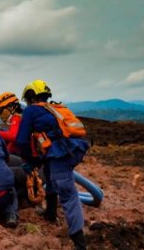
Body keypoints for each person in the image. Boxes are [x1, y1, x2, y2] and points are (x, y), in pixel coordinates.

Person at [15, 80, 89, 250]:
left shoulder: (32, 110)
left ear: (30, 97)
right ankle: (50, 214)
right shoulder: (53, 109)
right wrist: (39, 160)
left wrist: (30, 161)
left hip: (61, 152)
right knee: (50, 173)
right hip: (74, 148)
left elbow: (21, 140)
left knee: (68, 194)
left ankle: (79, 242)